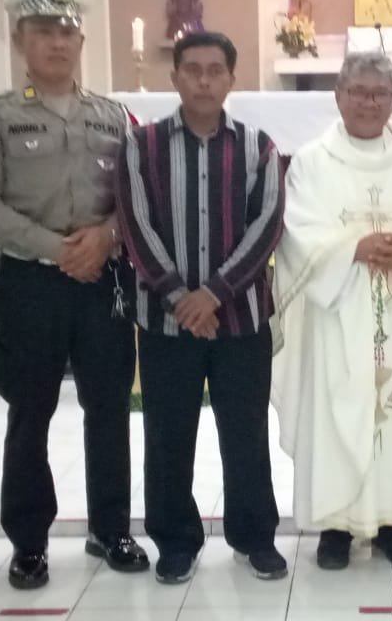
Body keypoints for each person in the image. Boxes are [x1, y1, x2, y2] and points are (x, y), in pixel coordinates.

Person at [0, 0, 149, 591]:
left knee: (109, 407)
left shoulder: (113, 116)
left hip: (103, 280)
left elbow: (137, 196)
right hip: (32, 282)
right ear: (20, 40)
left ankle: (111, 528)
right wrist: (55, 248)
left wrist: (109, 237)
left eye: (67, 31)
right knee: (30, 411)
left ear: (81, 41)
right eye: (43, 30)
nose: (58, 42)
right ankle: (30, 542)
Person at [271, 53, 392, 570]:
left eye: (379, 93)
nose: (368, 102)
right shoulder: (312, 162)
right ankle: (335, 527)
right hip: (338, 310)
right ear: (338, 96)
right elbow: (296, 228)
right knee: (336, 411)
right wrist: (352, 248)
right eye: (358, 91)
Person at [115, 31, 289, 585]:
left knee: (246, 434)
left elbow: (267, 226)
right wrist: (179, 297)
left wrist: (213, 294)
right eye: (193, 70)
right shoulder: (140, 146)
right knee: (168, 435)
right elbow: (135, 225)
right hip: (166, 322)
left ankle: (254, 537)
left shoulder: (259, 147)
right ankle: (175, 541)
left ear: (232, 79)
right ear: (175, 77)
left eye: (216, 70)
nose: (205, 80)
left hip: (240, 320)